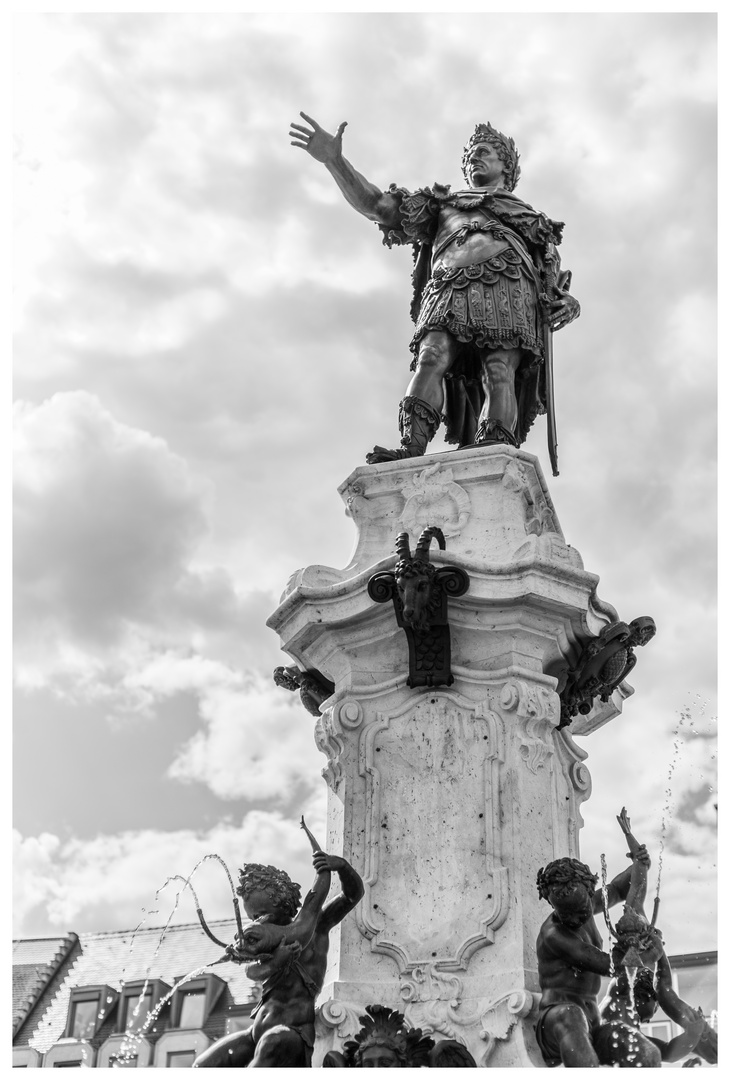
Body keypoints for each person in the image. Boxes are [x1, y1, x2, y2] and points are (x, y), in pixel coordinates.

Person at [289, 113, 580, 469]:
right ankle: (410, 448)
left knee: (499, 369)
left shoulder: (531, 220)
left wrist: (570, 304)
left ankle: (492, 451)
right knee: (431, 357)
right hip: (448, 285)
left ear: (505, 165)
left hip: (509, 287)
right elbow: (378, 206)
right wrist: (335, 162)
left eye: (484, 151)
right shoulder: (441, 204)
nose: (475, 157)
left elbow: (555, 282)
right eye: (471, 153)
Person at [193, 850, 363, 1068]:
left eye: (261, 913)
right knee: (203, 1066)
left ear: (281, 902)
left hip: (292, 1033)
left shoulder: (315, 926)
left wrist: (342, 867)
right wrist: (273, 961)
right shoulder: (262, 941)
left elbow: (352, 895)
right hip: (255, 1034)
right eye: (253, 916)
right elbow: (251, 971)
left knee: (269, 1049)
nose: (257, 920)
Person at [534, 853, 661, 1068]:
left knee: (647, 1053)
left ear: (590, 894)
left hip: (591, 1027)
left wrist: (639, 865)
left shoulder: (591, 902)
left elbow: (621, 888)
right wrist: (650, 955)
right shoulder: (554, 934)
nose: (575, 918)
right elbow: (611, 966)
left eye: (583, 910)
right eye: (566, 913)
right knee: (571, 1015)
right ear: (552, 904)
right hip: (555, 1025)